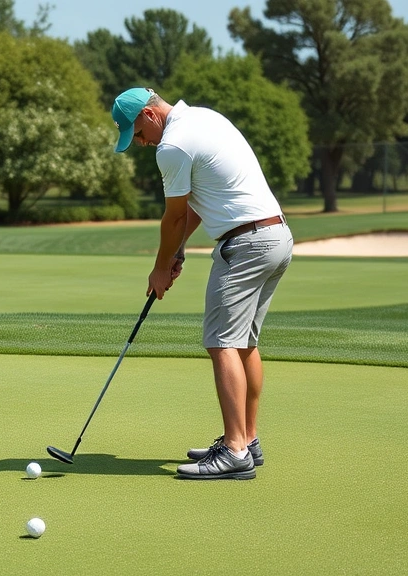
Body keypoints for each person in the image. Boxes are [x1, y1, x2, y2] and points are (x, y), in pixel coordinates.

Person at [112, 87, 293, 480]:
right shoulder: (204, 118)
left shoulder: (171, 145)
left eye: (137, 133)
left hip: (244, 245)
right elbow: (197, 202)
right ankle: (247, 438)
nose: (140, 144)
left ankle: (234, 451)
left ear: (149, 114)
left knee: (221, 342)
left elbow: (174, 216)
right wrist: (177, 252)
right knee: (244, 342)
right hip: (275, 237)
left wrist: (160, 268)